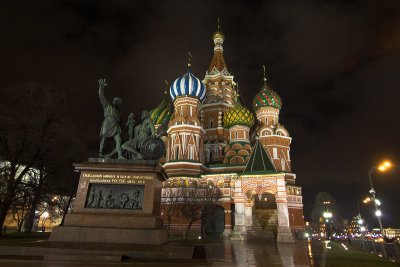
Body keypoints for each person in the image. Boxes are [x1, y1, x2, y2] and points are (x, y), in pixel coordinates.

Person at [98, 78, 124, 159]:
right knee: (105, 137)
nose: (116, 102)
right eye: (115, 100)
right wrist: (101, 87)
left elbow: (121, 122)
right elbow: (101, 96)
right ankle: (100, 152)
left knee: (118, 139)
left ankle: (120, 155)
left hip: (116, 125)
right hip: (108, 122)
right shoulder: (108, 106)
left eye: (118, 101)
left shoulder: (118, 112)